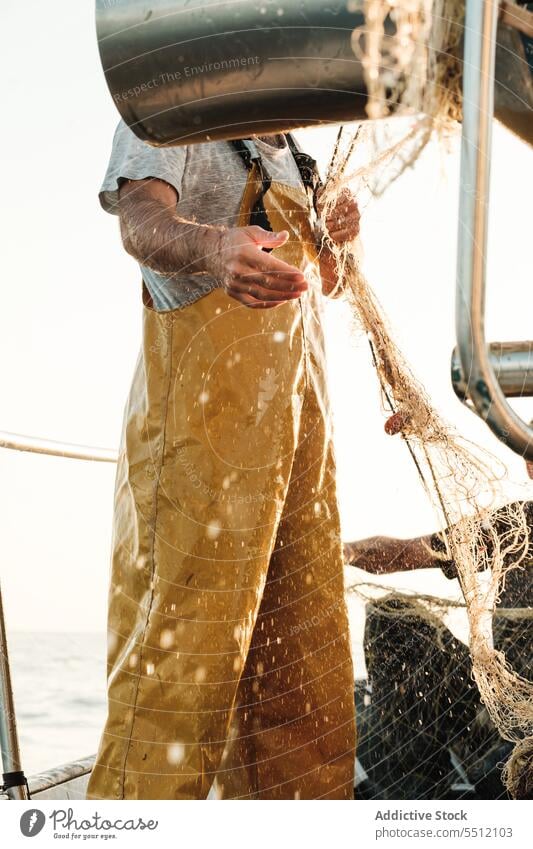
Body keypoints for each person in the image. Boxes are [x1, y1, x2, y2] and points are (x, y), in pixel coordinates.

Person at [87, 122, 361, 800]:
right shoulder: (173, 106)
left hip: (295, 456)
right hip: (196, 461)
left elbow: (330, 279)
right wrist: (216, 247)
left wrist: (342, 239)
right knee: (175, 686)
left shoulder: (295, 154)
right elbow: (140, 221)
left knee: (304, 678)